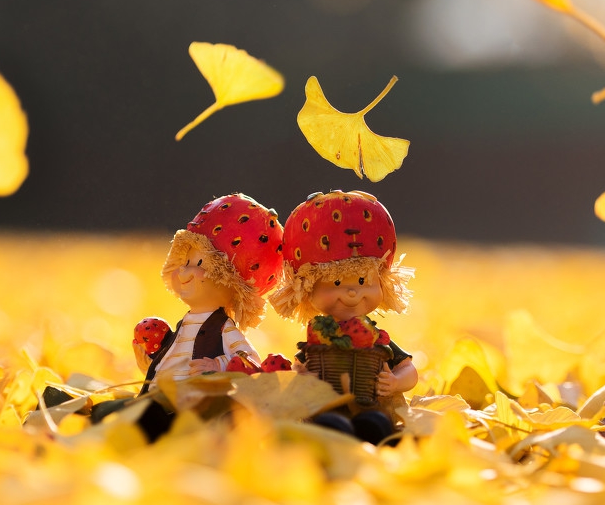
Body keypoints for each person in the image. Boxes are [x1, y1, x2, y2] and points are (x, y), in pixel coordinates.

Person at [46, 193, 284, 440]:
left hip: (187, 407)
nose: (185, 271)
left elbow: (249, 360)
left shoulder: (223, 328)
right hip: (161, 396)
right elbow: (175, 359)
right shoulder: (186, 324)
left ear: (232, 282)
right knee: (129, 411)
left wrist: (218, 365)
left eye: (199, 263)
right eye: (187, 260)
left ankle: (94, 418)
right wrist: (151, 361)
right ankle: (79, 412)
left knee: (139, 416)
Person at [268, 190, 416, 443]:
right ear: (308, 289)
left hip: (372, 405)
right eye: (336, 283)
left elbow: (408, 369)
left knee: (377, 422)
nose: (351, 292)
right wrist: (302, 378)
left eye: (363, 281)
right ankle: (332, 432)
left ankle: (378, 435)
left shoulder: (376, 338)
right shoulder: (318, 338)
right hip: (326, 406)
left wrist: (395, 381)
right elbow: (299, 369)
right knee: (328, 422)